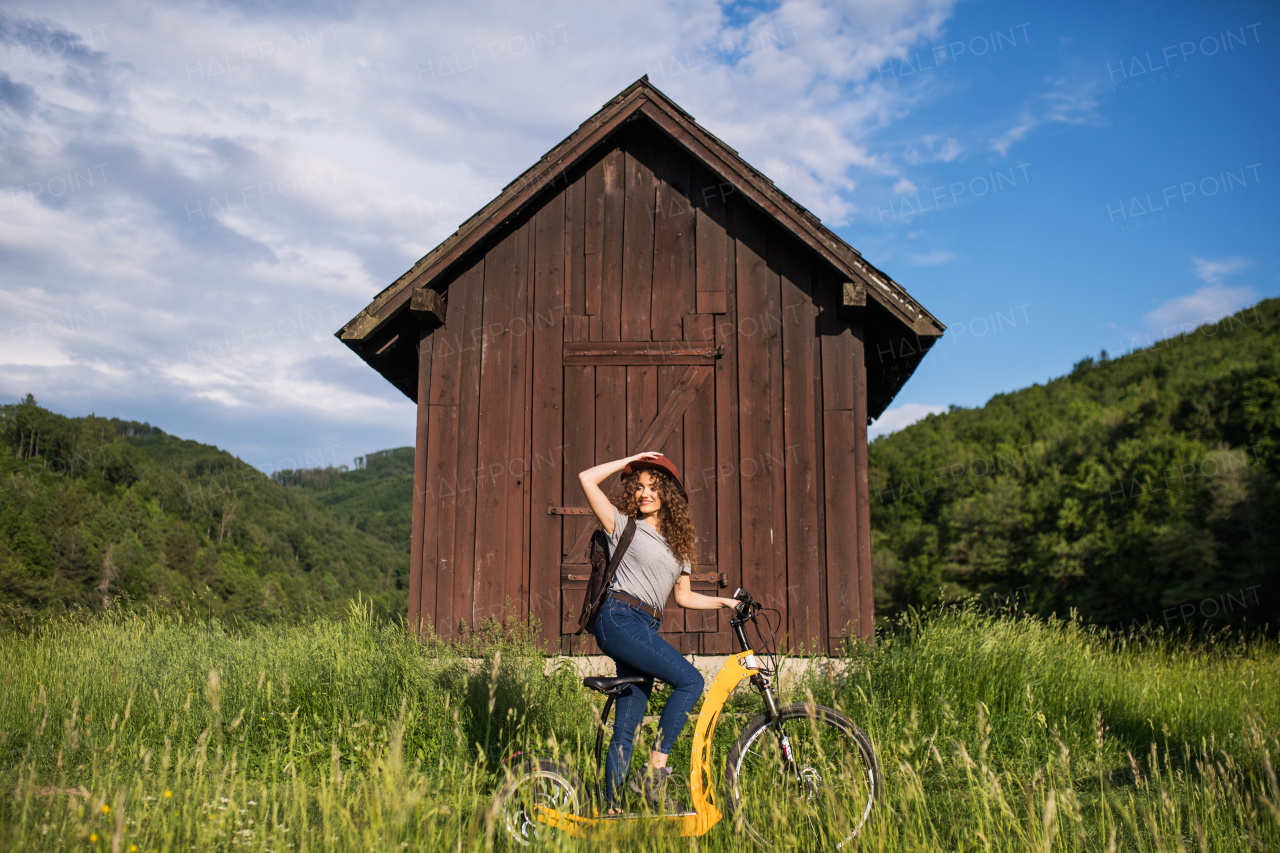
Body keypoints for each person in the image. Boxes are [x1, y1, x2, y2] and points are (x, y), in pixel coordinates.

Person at [578, 451, 737, 812]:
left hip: (644, 625)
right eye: (638, 487)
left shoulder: (679, 547)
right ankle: (655, 770)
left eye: (653, 487)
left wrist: (725, 603)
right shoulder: (622, 525)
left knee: (626, 724)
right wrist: (629, 460)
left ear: (668, 494)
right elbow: (586, 478)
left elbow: (683, 597)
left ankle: (614, 810)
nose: (644, 493)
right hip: (618, 618)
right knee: (691, 681)